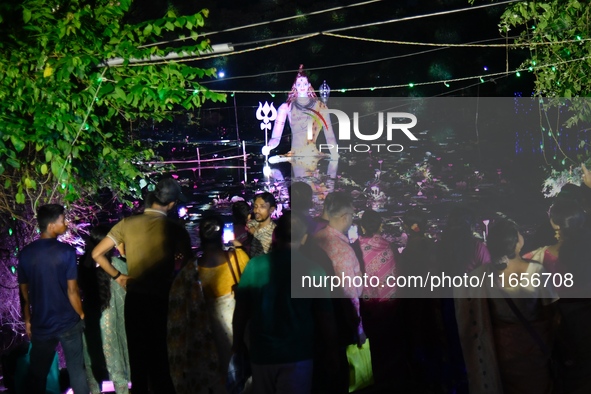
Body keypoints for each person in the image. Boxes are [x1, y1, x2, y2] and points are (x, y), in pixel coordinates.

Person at [92, 177, 193, 393]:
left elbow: (97, 254)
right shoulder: (175, 229)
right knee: (161, 360)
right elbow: (188, 265)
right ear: (172, 204)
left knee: (138, 360)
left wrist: (119, 277)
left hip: (135, 300)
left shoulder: (127, 224)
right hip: (162, 300)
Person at [233, 211, 338, 394]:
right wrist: (332, 350)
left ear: (275, 235)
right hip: (298, 354)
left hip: (261, 353)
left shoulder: (254, 266)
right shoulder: (314, 270)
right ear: (304, 238)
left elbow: (241, 311)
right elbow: (325, 316)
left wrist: (237, 343)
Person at [455, 218, 558, 394]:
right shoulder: (536, 271)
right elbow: (552, 313)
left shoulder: (483, 278)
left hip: (504, 353)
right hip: (535, 352)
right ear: (516, 243)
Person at [18, 204, 90, 394]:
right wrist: (82, 314)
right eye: (62, 220)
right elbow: (72, 291)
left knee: (37, 375)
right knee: (77, 371)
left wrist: (27, 320)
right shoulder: (66, 252)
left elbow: (24, 293)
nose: (66, 224)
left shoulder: (25, 254)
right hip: (68, 322)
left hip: (41, 324)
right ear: (51, 225)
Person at [262, 65, 338, 177]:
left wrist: (334, 153)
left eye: (304, 83)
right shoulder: (285, 107)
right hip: (295, 154)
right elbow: (276, 137)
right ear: (295, 86)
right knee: (273, 162)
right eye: (299, 84)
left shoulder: (321, 107)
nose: (302, 86)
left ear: (309, 85)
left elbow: (330, 135)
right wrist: (268, 146)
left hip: (313, 154)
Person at [197, 213, 249, 377]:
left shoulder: (190, 271)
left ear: (200, 235)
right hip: (239, 332)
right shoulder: (238, 258)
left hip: (207, 339)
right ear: (222, 235)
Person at [79, 226, 130, 394]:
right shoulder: (118, 267)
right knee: (116, 363)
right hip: (114, 325)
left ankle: (94, 390)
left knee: (92, 359)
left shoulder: (84, 267)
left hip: (91, 322)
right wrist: (123, 252)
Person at [356, 209, 401, 391]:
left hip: (367, 306)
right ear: (380, 226)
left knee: (373, 345)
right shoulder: (389, 247)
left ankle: (374, 380)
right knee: (389, 345)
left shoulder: (356, 247)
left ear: (362, 226)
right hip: (389, 305)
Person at [247, 192, 277, 258]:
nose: (257, 210)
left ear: (271, 210)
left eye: (262, 207)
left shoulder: (274, 233)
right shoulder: (251, 224)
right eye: (255, 206)